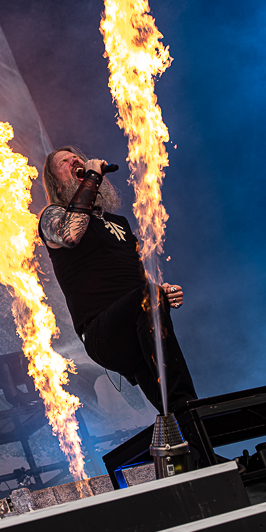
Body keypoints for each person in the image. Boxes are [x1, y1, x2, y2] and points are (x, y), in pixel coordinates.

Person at [38, 146, 197, 414]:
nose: (75, 160)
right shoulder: (52, 216)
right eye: (64, 162)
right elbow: (71, 235)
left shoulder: (119, 222)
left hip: (135, 324)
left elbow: (135, 279)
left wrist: (161, 292)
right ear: (57, 183)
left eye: (77, 157)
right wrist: (91, 176)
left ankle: (191, 424)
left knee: (172, 405)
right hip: (102, 333)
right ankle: (188, 408)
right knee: (176, 393)